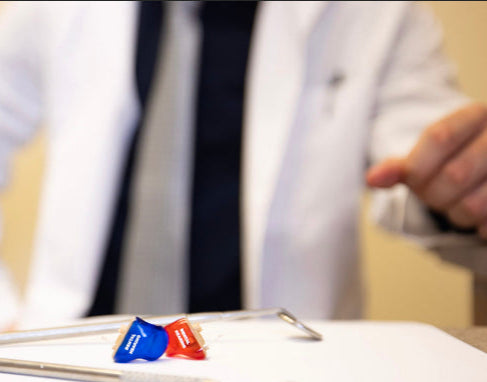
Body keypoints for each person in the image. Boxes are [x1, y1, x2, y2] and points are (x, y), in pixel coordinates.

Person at [0, 1, 486, 330]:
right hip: (77, 359)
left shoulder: (377, 14)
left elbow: (429, 151)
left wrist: (460, 185)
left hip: (282, 378)